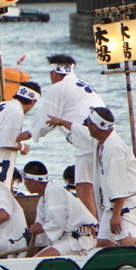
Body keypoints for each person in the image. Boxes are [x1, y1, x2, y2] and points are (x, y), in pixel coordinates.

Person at [48, 108, 136, 247]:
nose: (86, 125)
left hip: (126, 205)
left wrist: (116, 215)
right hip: (112, 207)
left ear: (94, 127)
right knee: (103, 244)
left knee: (129, 244)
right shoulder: (100, 141)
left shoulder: (113, 148)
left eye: (88, 122)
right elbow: (80, 131)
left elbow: (119, 185)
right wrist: (61, 122)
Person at [25, 55, 105, 219]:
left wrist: (26, 135)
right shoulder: (83, 85)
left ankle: (95, 228)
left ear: (54, 73)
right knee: (100, 184)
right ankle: (103, 226)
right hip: (105, 135)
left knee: (83, 186)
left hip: (85, 136)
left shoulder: (58, 87)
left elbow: (46, 118)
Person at [21, 161, 97, 257]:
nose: (24, 184)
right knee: (34, 260)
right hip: (63, 240)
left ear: (32, 181)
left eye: (25, 180)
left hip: (78, 240)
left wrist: (41, 229)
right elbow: (41, 231)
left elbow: (59, 222)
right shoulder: (43, 199)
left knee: (39, 261)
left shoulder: (54, 190)